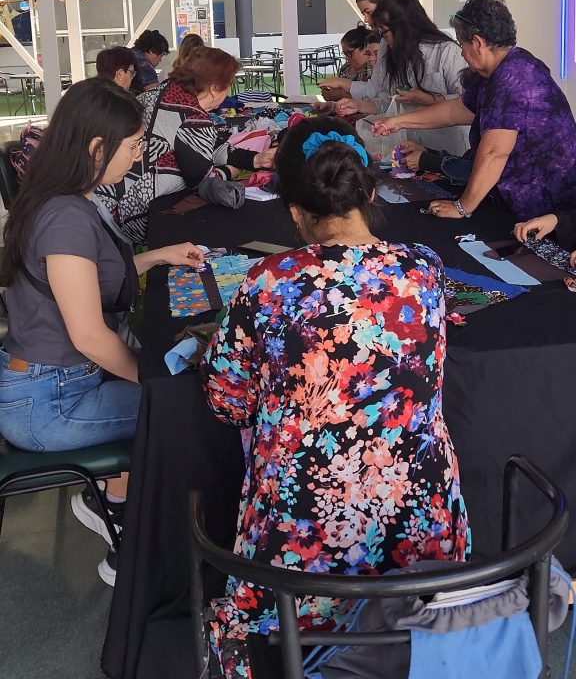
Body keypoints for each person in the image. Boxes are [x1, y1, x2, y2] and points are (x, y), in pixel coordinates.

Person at [202, 116, 470, 679]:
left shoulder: (268, 282)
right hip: (419, 526)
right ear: (369, 194)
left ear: (296, 211)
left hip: (301, 537)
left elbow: (226, 402)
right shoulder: (424, 268)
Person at [0, 78, 203, 583]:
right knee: (184, 407)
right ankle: (128, 550)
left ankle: (112, 498)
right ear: (97, 147)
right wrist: (154, 380)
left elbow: (81, 282)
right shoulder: (65, 217)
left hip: (51, 383)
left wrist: (157, 256)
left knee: (173, 394)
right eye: (133, 146)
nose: (137, 157)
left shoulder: (63, 198)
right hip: (49, 403)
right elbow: (90, 335)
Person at [374, 0, 576, 221]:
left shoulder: (514, 77)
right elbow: (457, 110)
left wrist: (462, 207)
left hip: (545, 202)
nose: (461, 53)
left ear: (478, 43)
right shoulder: (496, 71)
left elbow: (494, 152)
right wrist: (397, 121)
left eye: (462, 44)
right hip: (517, 197)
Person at [99, 47, 275, 243]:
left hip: (102, 199)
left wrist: (255, 160)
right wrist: (232, 170)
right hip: (130, 217)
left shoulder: (164, 92)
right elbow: (203, 181)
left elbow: (210, 144)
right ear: (214, 88)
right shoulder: (193, 117)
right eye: (229, 85)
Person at [336, 0, 469, 156]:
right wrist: (358, 105)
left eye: (384, 32)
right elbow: (385, 102)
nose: (383, 39)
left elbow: (466, 104)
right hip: (410, 148)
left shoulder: (446, 52)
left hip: (449, 149)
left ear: (404, 27)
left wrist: (430, 99)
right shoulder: (391, 55)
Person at [319, 0, 394, 101]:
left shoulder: (420, 45)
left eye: (368, 12)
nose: (366, 20)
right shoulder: (385, 43)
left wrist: (342, 86)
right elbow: (375, 93)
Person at [131, 29, 169, 93]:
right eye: (161, 56)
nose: (160, 60)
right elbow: (155, 94)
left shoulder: (128, 54)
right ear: (152, 50)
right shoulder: (144, 65)